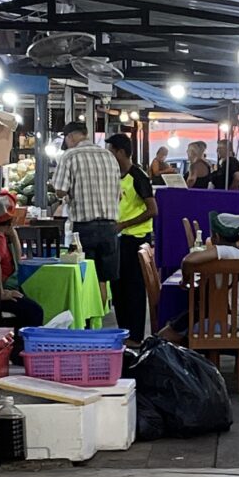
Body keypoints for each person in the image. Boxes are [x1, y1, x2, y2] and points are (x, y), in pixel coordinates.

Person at [51, 120, 122, 308]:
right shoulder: (108, 156)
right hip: (110, 227)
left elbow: (59, 189)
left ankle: (86, 323)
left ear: (71, 136)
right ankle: (100, 322)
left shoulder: (70, 156)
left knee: (84, 276)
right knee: (102, 279)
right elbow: (119, 194)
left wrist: (67, 195)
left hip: (84, 228)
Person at [159, 212, 239, 343]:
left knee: (164, 336)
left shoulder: (226, 251)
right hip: (237, 320)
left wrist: (186, 280)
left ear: (216, 236)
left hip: (219, 320)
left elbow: (188, 261)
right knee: (182, 321)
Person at [106, 133, 158, 345]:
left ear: (120, 152)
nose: (108, 156)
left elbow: (153, 210)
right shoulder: (114, 176)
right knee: (118, 288)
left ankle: (135, 337)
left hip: (135, 239)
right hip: (118, 238)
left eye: (110, 151)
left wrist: (125, 224)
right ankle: (123, 333)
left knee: (134, 290)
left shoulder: (138, 176)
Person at [0, 191, 44, 362]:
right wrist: (1, 292)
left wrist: (12, 232)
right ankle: (19, 353)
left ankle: (18, 351)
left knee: (28, 307)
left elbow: (19, 255)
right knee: (34, 311)